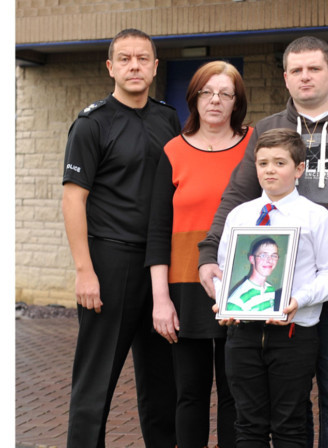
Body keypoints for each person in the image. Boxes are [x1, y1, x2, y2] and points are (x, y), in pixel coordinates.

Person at [197, 36, 328, 447]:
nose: (305, 77)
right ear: (286, 78)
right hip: (273, 290)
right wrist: (208, 253)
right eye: (296, 70)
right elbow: (237, 197)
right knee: (288, 401)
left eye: (314, 68)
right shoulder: (269, 130)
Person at [61, 28, 179, 447]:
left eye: (142, 58)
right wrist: (84, 272)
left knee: (163, 384)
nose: (134, 66)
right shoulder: (92, 124)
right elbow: (73, 200)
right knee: (96, 383)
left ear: (154, 67)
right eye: (125, 58)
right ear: (111, 67)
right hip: (110, 263)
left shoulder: (168, 118)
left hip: (160, 265)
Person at [145, 60, 251, 448]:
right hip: (184, 287)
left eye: (226, 93)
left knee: (234, 395)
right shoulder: (172, 151)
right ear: (194, 97)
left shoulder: (254, 144)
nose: (215, 100)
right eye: (207, 92)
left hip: (240, 283)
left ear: (237, 101)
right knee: (188, 394)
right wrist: (160, 298)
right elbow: (158, 231)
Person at [215, 128, 328, 447]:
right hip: (242, 333)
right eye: (262, 163)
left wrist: (298, 300)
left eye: (279, 162)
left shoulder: (318, 218)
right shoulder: (239, 216)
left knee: (290, 421)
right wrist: (222, 301)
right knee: (247, 422)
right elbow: (224, 270)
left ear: (299, 169)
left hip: (292, 333)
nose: (269, 170)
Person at [225, 238, 280, 312]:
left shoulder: (271, 289)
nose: (270, 260)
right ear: (252, 259)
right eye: (263, 255)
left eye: (274, 256)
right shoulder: (236, 302)